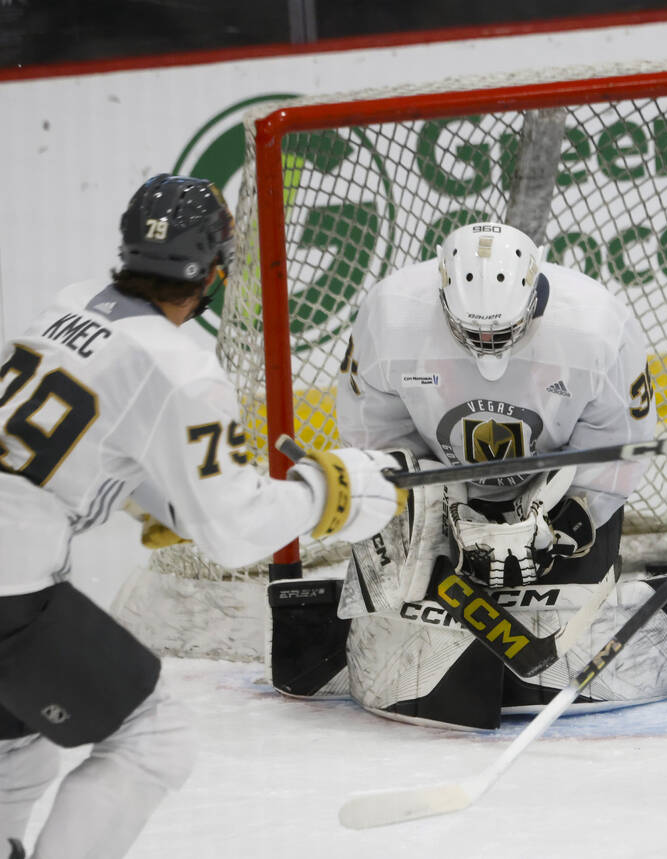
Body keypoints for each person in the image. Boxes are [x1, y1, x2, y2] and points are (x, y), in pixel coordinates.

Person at [0, 174, 403, 858]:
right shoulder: (181, 368)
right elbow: (236, 527)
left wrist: (159, 498)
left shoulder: (68, 305)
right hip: (11, 591)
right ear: (216, 272)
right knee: (153, 739)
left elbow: (85, 446)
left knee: (19, 747)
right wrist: (335, 489)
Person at [266, 220, 667, 731]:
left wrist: (577, 513)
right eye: (474, 332)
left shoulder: (596, 325)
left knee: (563, 654)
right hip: (436, 495)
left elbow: (620, 443)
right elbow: (375, 436)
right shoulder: (390, 314)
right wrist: (432, 511)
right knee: (407, 673)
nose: (488, 343)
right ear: (441, 297)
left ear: (535, 295)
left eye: (501, 330)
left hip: (555, 495)